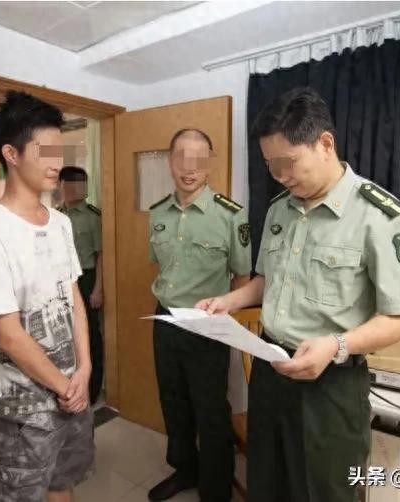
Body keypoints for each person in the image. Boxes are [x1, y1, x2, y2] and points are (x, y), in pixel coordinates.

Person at [196, 87, 400, 502]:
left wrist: (336, 344)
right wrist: (230, 300)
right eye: (271, 166)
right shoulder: (279, 210)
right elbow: (266, 279)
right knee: (267, 484)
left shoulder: (380, 215)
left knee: (326, 492)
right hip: (270, 371)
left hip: (330, 385)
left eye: (288, 163)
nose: (280, 176)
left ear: (325, 144)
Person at [0, 90, 94, 502]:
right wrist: (66, 386)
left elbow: (73, 297)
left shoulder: (60, 223)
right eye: (45, 151)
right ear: (12, 154)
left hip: (72, 390)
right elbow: (8, 335)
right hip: (25, 408)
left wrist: (85, 368)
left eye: (60, 150)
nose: (57, 162)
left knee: (63, 484)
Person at [147, 128, 252, 502]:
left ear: (208, 164)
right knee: (173, 401)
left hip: (208, 325)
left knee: (211, 410)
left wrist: (225, 320)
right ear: (170, 162)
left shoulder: (231, 215)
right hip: (166, 320)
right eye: (182, 158)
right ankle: (185, 470)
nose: (189, 168)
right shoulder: (158, 212)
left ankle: (216, 488)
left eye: (198, 159)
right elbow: (163, 268)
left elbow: (242, 279)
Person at [56, 166, 104, 405]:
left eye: (80, 183)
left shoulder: (93, 216)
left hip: (87, 279)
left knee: (90, 334)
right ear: (61, 186)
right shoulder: (55, 215)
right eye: (70, 183)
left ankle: (92, 390)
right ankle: (69, 387)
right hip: (61, 281)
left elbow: (101, 254)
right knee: (64, 333)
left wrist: (98, 288)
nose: (76, 189)